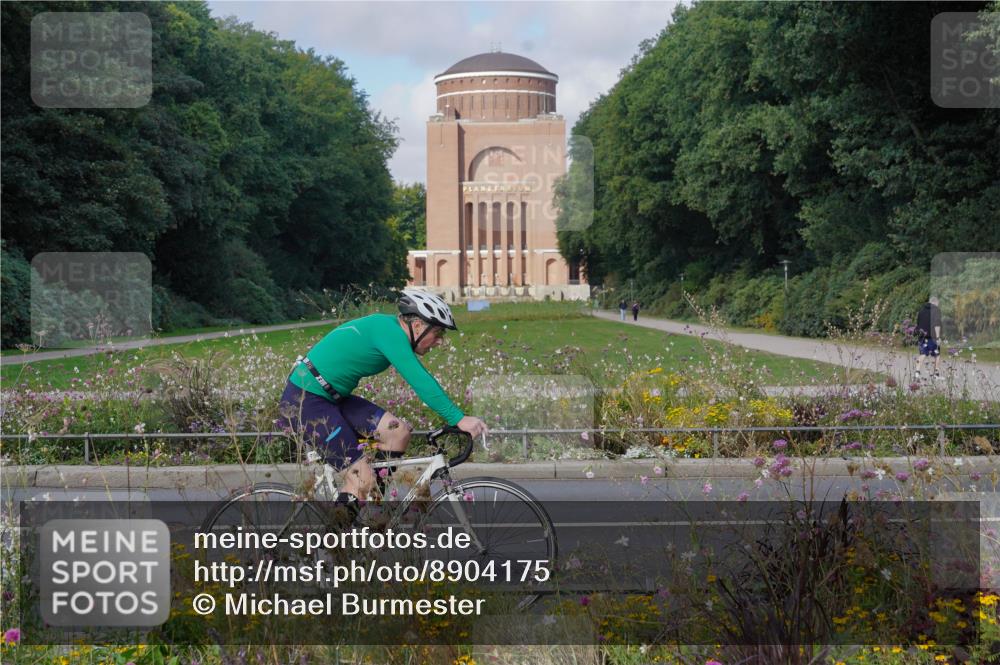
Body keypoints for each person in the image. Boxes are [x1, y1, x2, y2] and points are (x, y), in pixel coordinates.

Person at [277, 291, 488, 511]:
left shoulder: (389, 329)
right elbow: (420, 380)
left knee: (397, 433)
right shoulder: (389, 332)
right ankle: (334, 543)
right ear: (417, 326)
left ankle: (371, 513)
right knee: (361, 480)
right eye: (437, 332)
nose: (439, 341)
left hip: (334, 399)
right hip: (305, 402)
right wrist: (459, 418)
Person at [915, 296, 943, 381]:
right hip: (932, 337)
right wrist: (938, 337)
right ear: (935, 303)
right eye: (938, 304)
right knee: (937, 354)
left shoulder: (921, 310)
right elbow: (937, 324)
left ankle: (917, 373)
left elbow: (918, 323)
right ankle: (936, 374)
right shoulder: (936, 310)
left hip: (922, 336)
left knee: (922, 354)